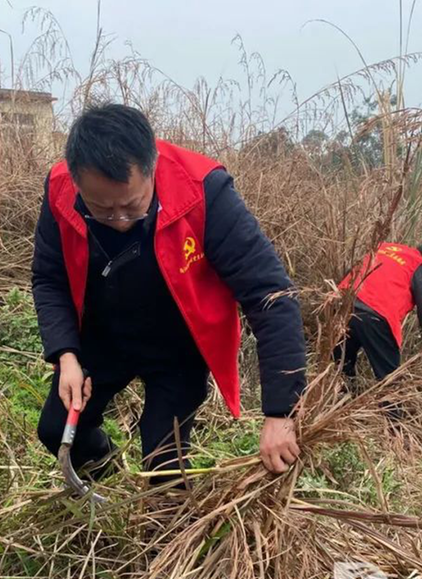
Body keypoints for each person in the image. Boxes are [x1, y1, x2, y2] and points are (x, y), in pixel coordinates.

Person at [31, 103, 307, 481]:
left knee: (163, 463)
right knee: (57, 430)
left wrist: (281, 411)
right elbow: (49, 278)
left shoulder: (204, 191)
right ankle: (106, 482)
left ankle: (167, 531)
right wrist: (67, 355)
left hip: (178, 344)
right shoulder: (60, 190)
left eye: (131, 206)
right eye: (101, 210)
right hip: (102, 336)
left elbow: (271, 296)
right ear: (77, 182)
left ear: (152, 168)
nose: (120, 221)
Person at [335, 242, 422, 380]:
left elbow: (351, 271)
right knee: (390, 381)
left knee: (340, 369)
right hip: (375, 316)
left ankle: (340, 397)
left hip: (343, 306)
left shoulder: (383, 247)